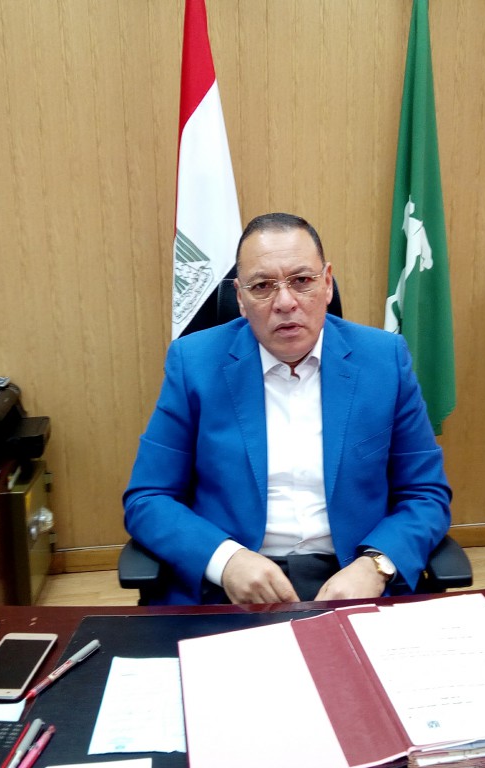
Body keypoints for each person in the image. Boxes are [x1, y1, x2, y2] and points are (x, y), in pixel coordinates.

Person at [123, 212, 451, 605]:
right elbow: (148, 498)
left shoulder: (384, 360)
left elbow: (426, 493)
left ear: (327, 283)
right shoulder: (194, 363)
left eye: (302, 280)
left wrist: (376, 565)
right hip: (232, 586)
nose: (285, 302)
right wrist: (225, 560)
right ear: (240, 298)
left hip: (353, 577)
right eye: (262, 286)